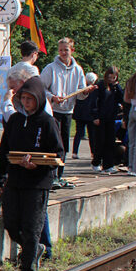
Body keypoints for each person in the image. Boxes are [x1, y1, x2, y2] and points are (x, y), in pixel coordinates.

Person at [0, 76, 64, 271]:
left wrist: (38, 165)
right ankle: (34, 249)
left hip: (37, 183)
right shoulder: (15, 120)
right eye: (23, 98)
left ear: (38, 99)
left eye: (30, 99)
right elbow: (4, 151)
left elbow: (58, 154)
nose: (26, 102)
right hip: (15, 180)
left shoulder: (47, 122)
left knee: (32, 227)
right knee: (11, 223)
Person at [1, 63, 54, 260]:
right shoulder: (19, 114)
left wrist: (38, 163)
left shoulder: (43, 115)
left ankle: (39, 251)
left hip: (37, 177)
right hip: (18, 175)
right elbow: (8, 143)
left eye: (14, 88)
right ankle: (36, 248)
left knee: (35, 219)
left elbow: (53, 149)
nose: (14, 93)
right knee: (15, 220)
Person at [40, 37, 90, 186]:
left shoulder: (78, 69)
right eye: (61, 50)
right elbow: (41, 88)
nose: (63, 53)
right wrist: (52, 97)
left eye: (66, 50)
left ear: (72, 50)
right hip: (53, 111)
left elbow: (80, 93)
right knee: (53, 143)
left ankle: (59, 175)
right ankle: (50, 175)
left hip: (68, 111)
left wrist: (85, 92)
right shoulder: (50, 68)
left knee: (64, 145)